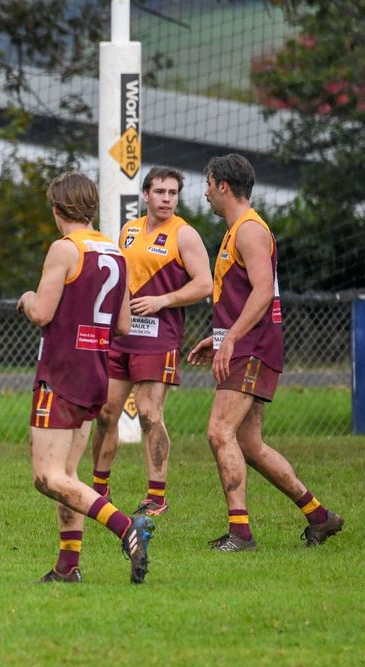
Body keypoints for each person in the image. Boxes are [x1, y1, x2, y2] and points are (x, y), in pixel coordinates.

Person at [187, 153, 343, 552]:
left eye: (207, 183)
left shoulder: (250, 230)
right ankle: (319, 516)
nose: (204, 192)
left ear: (223, 185)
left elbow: (261, 291)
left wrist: (234, 339)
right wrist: (219, 336)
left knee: (219, 432)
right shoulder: (236, 229)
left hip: (253, 348)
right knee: (250, 444)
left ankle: (241, 534)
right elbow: (243, 296)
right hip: (245, 344)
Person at [17, 171, 153, 584]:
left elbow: (41, 312)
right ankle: (68, 565)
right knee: (70, 476)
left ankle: (127, 527)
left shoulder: (64, 249)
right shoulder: (115, 252)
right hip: (96, 371)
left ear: (57, 210)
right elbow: (125, 325)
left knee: (48, 477)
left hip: (61, 373)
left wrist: (25, 300)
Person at [90, 167, 212, 516]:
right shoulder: (129, 231)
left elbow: (205, 284)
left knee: (148, 413)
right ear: (145, 195)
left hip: (159, 339)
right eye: (160, 192)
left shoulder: (184, 235)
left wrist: (163, 300)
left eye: (173, 193)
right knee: (105, 413)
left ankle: (156, 497)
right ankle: (100, 490)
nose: (166, 199)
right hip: (122, 336)